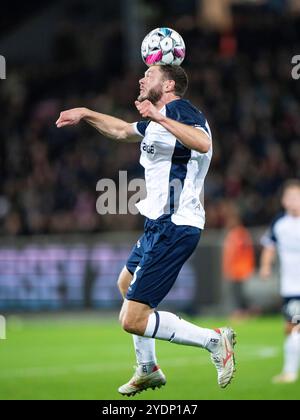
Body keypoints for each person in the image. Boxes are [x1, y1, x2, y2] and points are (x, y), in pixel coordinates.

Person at [56, 64, 236, 396]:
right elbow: (122, 130)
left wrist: (160, 115)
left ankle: (214, 340)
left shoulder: (179, 109)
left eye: (149, 75)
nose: (141, 78)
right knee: (125, 282)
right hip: (158, 223)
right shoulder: (158, 119)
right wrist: (85, 113)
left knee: (132, 320)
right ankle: (148, 367)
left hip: (176, 224)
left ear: (168, 85)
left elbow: (203, 143)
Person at [260, 179, 300, 384]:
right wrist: (265, 266)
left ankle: (290, 372)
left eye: (297, 197)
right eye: (290, 197)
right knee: (292, 328)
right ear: (284, 201)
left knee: (294, 328)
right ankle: (290, 372)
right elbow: (269, 246)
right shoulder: (280, 223)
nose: (294, 201)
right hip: (292, 287)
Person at [222, 201, 255, 318]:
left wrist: (228, 268)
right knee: (237, 293)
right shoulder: (238, 233)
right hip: (237, 270)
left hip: (240, 270)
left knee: (239, 293)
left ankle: (243, 312)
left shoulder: (239, 233)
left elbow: (233, 252)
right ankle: (242, 312)